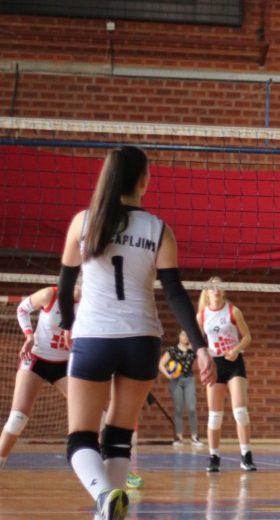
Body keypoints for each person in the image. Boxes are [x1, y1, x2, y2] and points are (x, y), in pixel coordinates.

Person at [54, 145, 214, 520]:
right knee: (119, 437)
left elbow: (64, 287)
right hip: (142, 341)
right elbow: (175, 293)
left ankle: (103, 496)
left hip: (94, 337)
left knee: (81, 437)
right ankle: (108, 510)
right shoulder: (159, 229)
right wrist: (201, 346)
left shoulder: (83, 222)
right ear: (144, 181)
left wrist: (67, 323)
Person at [0, 285, 79, 467]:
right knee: (17, 418)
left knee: (98, 416)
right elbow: (22, 309)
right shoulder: (50, 294)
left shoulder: (93, 304)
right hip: (36, 359)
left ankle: (111, 464)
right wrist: (29, 336)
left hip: (66, 365)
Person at [197, 278, 256, 472]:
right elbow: (196, 342)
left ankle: (246, 455)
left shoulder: (233, 311)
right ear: (207, 292)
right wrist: (203, 358)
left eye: (219, 287)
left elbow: (247, 336)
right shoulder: (202, 315)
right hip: (215, 364)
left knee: (240, 411)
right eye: (212, 287)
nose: (216, 290)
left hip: (233, 363)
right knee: (214, 416)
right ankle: (214, 456)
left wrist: (236, 349)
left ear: (223, 291)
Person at [158, 329, 202, 448]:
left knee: (192, 409)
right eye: (183, 334)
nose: (185, 337)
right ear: (178, 336)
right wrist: (168, 375)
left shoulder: (192, 351)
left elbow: (203, 356)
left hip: (189, 380)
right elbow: (161, 364)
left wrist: (195, 347)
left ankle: (194, 437)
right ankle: (179, 437)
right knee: (178, 409)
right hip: (176, 380)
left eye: (188, 335)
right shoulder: (172, 350)